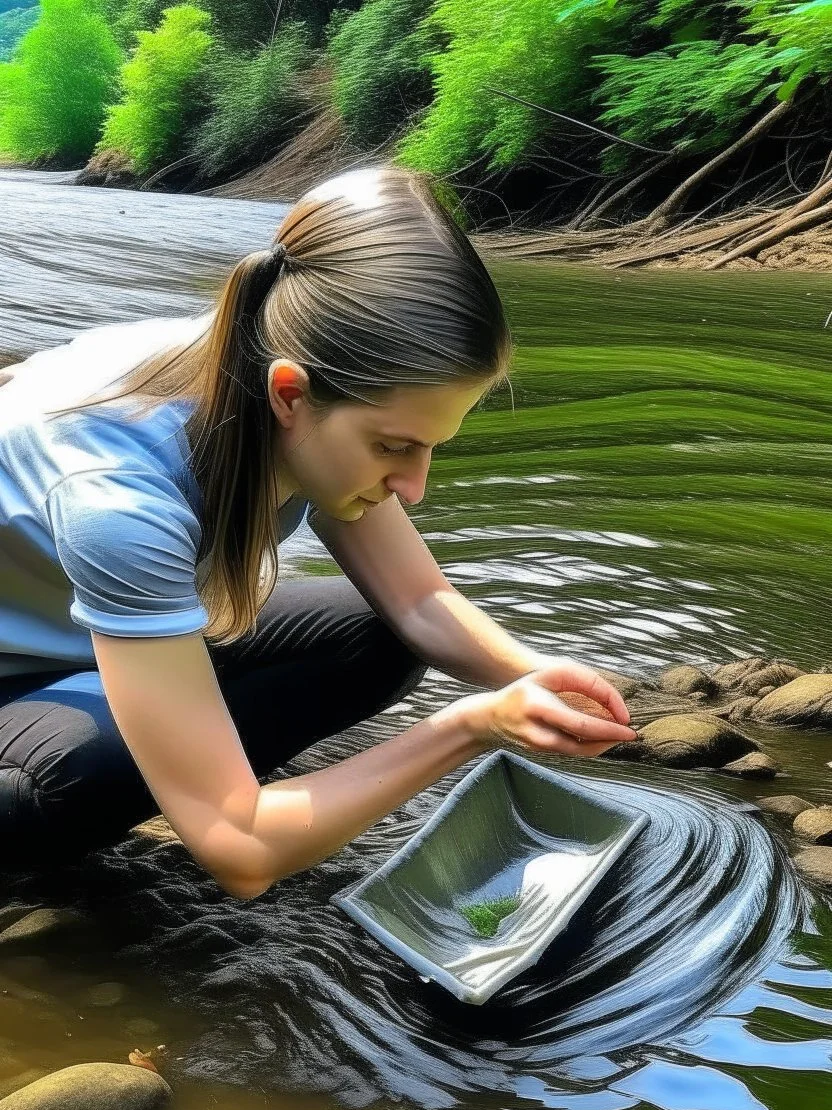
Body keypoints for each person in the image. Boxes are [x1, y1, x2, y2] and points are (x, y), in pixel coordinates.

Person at [0, 164, 637, 894]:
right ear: (290, 395)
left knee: (374, 635)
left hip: (71, 640)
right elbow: (239, 854)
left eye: (433, 446)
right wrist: (471, 726)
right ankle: (168, 785)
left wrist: (537, 678)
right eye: (394, 447)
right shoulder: (119, 501)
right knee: (93, 771)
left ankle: (194, 761)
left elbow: (420, 604)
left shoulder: (272, 353)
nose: (415, 487)